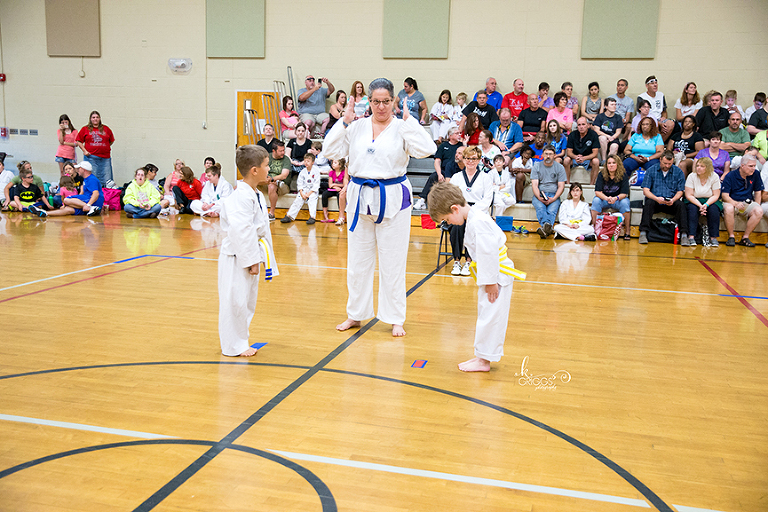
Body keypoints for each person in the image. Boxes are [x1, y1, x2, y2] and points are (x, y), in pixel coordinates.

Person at [324, 77, 436, 337]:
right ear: (370, 102)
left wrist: (409, 123)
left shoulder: (401, 126)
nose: (381, 107)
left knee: (393, 261)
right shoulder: (357, 126)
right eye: (376, 101)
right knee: (358, 262)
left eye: (386, 101)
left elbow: (427, 148)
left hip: (393, 197)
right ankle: (356, 314)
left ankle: (395, 317)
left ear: (393, 102)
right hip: (360, 196)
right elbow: (330, 151)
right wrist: (344, 122)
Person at [427, 181, 517, 373]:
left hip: (496, 276)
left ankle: (484, 360)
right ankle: (482, 356)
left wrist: (491, 282)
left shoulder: (478, 222)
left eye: (447, 220)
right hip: (492, 274)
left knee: (490, 317)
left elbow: (488, 252)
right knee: (486, 314)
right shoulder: (474, 218)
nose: (449, 223)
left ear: (454, 209)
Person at [218, 144, 278, 357]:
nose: (268, 170)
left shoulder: (255, 194)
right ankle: (233, 345)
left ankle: (241, 340)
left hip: (248, 254)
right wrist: (251, 260)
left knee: (245, 302)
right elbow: (241, 231)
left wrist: (260, 257)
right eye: (266, 166)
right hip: (237, 257)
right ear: (254, 170)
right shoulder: (240, 197)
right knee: (234, 302)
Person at [447, 146, 494, 276]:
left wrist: (471, 212)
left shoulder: (486, 178)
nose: (470, 161)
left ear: (479, 160)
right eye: (468, 158)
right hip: (460, 210)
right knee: (457, 226)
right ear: (464, 159)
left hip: (478, 212)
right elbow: (451, 196)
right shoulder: (456, 177)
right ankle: (456, 261)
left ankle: (469, 261)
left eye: (474, 158)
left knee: (472, 226)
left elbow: (487, 199)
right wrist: (462, 211)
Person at [637, 151, 686, 245]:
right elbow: (646, 191)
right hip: (656, 201)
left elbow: (680, 191)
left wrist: (673, 200)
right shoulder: (651, 170)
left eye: (669, 164)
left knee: (681, 205)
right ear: (660, 160)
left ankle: (684, 234)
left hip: (670, 201)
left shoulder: (678, 171)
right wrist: (656, 198)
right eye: (665, 163)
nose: (667, 166)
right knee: (648, 203)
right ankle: (643, 232)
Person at [29, 161, 103, 218]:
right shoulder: (86, 179)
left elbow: (96, 194)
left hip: (91, 201)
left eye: (79, 169)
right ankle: (45, 213)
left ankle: (90, 208)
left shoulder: (91, 179)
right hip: (87, 201)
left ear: (83, 170)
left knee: (66, 200)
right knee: (68, 209)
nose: (78, 170)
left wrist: (88, 205)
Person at [721, 154, 764, 247]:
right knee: (728, 208)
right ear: (742, 166)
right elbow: (724, 195)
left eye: (754, 166)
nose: (753, 168)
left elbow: (757, 192)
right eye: (750, 166)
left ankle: (745, 237)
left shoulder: (755, 174)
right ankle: (731, 237)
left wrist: (757, 204)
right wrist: (735, 203)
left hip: (747, 202)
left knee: (759, 210)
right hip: (732, 201)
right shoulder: (730, 176)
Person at [414, 127, 462, 210]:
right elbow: (437, 161)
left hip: (457, 171)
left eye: (460, 133)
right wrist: (439, 174)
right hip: (444, 171)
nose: (459, 135)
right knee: (434, 176)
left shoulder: (461, 146)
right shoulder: (443, 146)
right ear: (450, 135)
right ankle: (422, 200)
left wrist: (465, 144)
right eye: (457, 133)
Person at [591, 155, 632, 240]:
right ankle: (594, 230)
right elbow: (597, 192)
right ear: (606, 165)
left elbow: (624, 194)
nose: (611, 165)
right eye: (609, 163)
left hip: (618, 200)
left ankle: (627, 231)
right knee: (596, 200)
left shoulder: (623, 175)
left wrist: (615, 198)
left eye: (614, 163)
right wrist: (607, 198)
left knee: (625, 202)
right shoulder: (601, 174)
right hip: (605, 199)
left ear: (618, 164)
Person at [683, 157, 722, 247]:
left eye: (702, 166)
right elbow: (689, 195)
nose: (698, 168)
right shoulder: (691, 176)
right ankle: (691, 236)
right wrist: (700, 206)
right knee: (692, 209)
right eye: (697, 166)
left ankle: (713, 238)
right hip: (694, 200)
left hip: (710, 200)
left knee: (714, 210)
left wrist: (706, 204)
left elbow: (716, 195)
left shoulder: (714, 176)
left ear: (708, 167)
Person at [531, 145, 566, 238]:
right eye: (546, 154)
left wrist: (554, 198)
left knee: (551, 211)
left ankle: (544, 229)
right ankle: (547, 228)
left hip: (554, 195)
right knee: (540, 208)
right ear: (542, 155)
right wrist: (539, 197)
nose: (548, 156)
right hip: (539, 195)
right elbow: (534, 184)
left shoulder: (560, 167)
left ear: (554, 155)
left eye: (550, 154)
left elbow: (561, 186)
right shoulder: (537, 166)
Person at [76, 110, 115, 187]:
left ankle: (106, 196)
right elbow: (78, 141)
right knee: (93, 178)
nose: (95, 119)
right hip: (91, 157)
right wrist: (84, 150)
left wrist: (103, 147)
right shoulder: (85, 129)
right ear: (90, 119)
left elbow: (111, 141)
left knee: (107, 179)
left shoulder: (106, 129)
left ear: (100, 118)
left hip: (105, 158)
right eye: (93, 117)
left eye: (97, 117)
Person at [281, 153, 320, 224]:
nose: (306, 163)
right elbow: (300, 183)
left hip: (312, 191)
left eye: (308, 161)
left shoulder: (316, 171)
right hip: (304, 190)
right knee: (298, 200)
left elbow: (316, 185)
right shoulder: (302, 172)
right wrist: (301, 193)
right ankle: (289, 216)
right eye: (305, 161)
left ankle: (312, 217)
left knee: (312, 200)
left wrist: (308, 194)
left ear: (313, 162)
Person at [623, 117, 664, 185]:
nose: (645, 126)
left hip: (651, 159)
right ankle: (625, 186)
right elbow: (626, 150)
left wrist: (648, 159)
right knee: (625, 164)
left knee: (655, 167)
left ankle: (651, 188)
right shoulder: (635, 136)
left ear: (652, 126)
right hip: (635, 158)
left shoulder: (657, 137)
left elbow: (660, 152)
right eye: (643, 124)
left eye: (647, 124)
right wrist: (635, 157)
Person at [638, 75, 675, 142]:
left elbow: (664, 111)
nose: (655, 85)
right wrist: (659, 123)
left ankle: (659, 143)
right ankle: (654, 143)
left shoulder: (661, 95)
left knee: (670, 124)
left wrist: (663, 118)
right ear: (647, 86)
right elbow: (642, 114)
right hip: (648, 118)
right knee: (655, 125)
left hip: (659, 118)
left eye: (656, 83)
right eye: (652, 83)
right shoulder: (642, 97)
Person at [564, 117, 600, 184]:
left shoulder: (593, 135)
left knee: (596, 161)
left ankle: (591, 184)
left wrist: (584, 158)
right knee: (566, 160)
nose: (581, 127)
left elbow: (595, 153)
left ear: (588, 125)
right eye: (579, 125)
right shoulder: (572, 135)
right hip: (575, 158)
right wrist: (575, 157)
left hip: (588, 159)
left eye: (583, 124)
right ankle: (567, 183)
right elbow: (569, 152)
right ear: (577, 126)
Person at [264, 140, 291, 220]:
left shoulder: (286, 159)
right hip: (266, 181)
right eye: (280, 151)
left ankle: (271, 213)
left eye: (284, 150)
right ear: (274, 151)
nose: (283, 152)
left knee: (272, 185)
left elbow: (284, 175)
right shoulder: (267, 157)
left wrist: (272, 179)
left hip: (282, 185)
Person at [592, 97, 624, 163]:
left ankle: (608, 162)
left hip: (613, 137)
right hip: (602, 137)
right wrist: (608, 136)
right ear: (606, 106)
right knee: (602, 138)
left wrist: (612, 137)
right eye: (612, 105)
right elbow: (596, 130)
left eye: (615, 105)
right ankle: (603, 160)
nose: (614, 106)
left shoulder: (618, 117)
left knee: (614, 146)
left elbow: (618, 132)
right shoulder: (600, 116)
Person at [321, 158, 347, 224]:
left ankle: (341, 214)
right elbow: (330, 185)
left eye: (335, 163)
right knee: (324, 194)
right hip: (334, 189)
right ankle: (325, 215)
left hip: (340, 189)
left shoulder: (344, 172)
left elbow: (344, 184)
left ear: (340, 165)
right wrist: (336, 187)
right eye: (333, 163)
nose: (333, 164)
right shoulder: (331, 172)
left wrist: (335, 185)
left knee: (340, 195)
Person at [286, 122, 312, 189]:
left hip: (304, 163)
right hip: (293, 162)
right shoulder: (291, 141)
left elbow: (309, 156)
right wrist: (292, 162)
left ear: (305, 132)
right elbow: (287, 155)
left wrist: (302, 163)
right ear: (295, 131)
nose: (300, 132)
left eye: (303, 131)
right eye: (299, 130)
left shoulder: (308, 142)